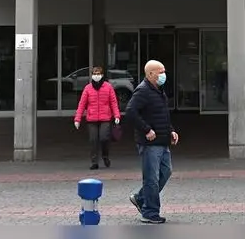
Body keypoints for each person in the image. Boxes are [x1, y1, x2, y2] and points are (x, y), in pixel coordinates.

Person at [124, 59, 179, 224]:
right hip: (150, 144)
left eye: (164, 71)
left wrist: (171, 130)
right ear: (150, 74)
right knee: (151, 178)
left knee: (166, 171)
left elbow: (162, 115)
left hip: (162, 141)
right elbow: (130, 112)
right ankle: (150, 212)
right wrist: (146, 129)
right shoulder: (143, 91)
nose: (163, 75)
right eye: (160, 72)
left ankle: (141, 198)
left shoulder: (158, 90)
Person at [73, 65, 121, 170]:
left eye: (98, 74)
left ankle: (105, 156)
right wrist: (77, 119)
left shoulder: (108, 87)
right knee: (93, 140)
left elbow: (113, 102)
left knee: (104, 138)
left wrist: (117, 115)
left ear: (102, 75)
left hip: (105, 118)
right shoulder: (88, 88)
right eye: (94, 74)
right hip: (92, 119)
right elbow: (82, 104)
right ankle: (94, 162)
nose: (96, 76)